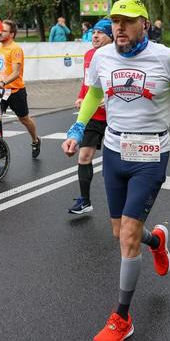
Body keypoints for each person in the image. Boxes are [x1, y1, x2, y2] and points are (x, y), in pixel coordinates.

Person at [62, 0, 170, 341]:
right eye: (115, 22)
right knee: (120, 232)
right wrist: (77, 129)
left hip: (151, 154)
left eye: (127, 21)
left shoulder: (165, 58)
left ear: (144, 23)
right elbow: (95, 92)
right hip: (113, 151)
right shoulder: (101, 57)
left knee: (127, 235)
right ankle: (156, 241)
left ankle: (122, 318)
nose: (120, 28)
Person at [68, 18, 113, 215]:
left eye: (101, 32)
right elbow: (87, 84)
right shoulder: (89, 55)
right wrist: (81, 97)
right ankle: (85, 200)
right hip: (93, 115)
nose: (95, 35)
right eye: (94, 32)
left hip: (115, 117)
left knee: (116, 165)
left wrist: (110, 98)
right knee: (84, 156)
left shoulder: (118, 57)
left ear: (111, 37)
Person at [0, 19, 41, 158]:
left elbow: (16, 73)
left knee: (24, 119)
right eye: (0, 30)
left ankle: (35, 140)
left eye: (4, 31)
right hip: (1, 91)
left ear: (12, 34)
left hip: (16, 91)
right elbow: (2, 67)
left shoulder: (16, 49)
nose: (0, 33)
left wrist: (4, 82)